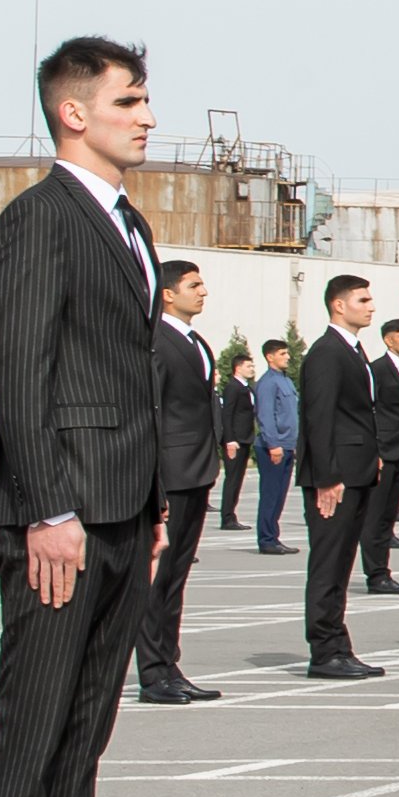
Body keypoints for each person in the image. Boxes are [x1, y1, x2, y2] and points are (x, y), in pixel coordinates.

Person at [0, 39, 195, 797]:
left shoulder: (128, 222)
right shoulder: (39, 222)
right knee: (35, 734)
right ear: (74, 114)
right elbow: (20, 376)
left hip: (118, 510)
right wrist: (48, 508)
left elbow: (128, 376)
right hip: (59, 518)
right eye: (130, 100)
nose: (147, 116)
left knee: (84, 734)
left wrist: (144, 506)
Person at [135, 261, 230, 708]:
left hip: (196, 471)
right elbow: (151, 414)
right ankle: (153, 672)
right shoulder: (158, 341)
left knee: (177, 578)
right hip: (171, 474)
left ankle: (170, 664)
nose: (203, 292)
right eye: (194, 285)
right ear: (168, 294)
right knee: (160, 578)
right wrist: (155, 486)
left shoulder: (196, 342)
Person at [297, 273, 395, 679]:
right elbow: (319, 417)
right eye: (363, 299)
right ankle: (324, 650)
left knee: (341, 565)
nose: (371, 306)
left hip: (356, 472)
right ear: (339, 305)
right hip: (335, 478)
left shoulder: (353, 350)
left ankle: (338, 644)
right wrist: (326, 476)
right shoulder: (326, 352)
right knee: (328, 564)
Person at [361, 320, 399, 598]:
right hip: (383, 449)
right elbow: (368, 411)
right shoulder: (377, 370)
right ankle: (376, 574)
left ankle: (383, 569)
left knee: (388, 514)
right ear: (388, 340)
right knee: (375, 515)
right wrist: (374, 450)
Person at [248, 336, 300, 551]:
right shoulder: (268, 382)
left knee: (279, 496)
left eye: (287, 353)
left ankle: (273, 536)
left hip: (287, 444)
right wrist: (273, 444)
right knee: (270, 494)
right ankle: (266, 540)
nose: (287, 357)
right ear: (270, 357)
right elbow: (266, 416)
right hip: (273, 446)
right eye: (282, 354)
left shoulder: (286, 380)